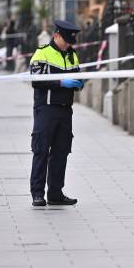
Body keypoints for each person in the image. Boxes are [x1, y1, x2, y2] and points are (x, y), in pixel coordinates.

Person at [29, 20, 84, 207]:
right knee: (41, 150)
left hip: (65, 110)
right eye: (66, 40)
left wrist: (79, 83)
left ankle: (55, 192)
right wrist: (61, 83)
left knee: (61, 151)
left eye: (71, 41)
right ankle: (37, 194)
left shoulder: (71, 54)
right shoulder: (42, 53)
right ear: (57, 35)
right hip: (46, 108)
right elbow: (36, 80)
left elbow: (78, 74)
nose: (69, 44)